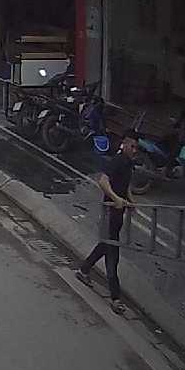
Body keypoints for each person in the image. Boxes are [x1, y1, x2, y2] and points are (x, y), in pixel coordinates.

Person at [76, 132, 138, 315]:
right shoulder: (118, 161)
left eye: (136, 148)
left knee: (105, 245)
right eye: (132, 146)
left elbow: (125, 184)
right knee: (112, 253)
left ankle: (84, 270)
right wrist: (116, 198)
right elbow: (103, 181)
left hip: (117, 214)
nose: (135, 150)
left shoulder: (128, 163)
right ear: (124, 144)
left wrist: (130, 200)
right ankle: (115, 298)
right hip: (110, 213)